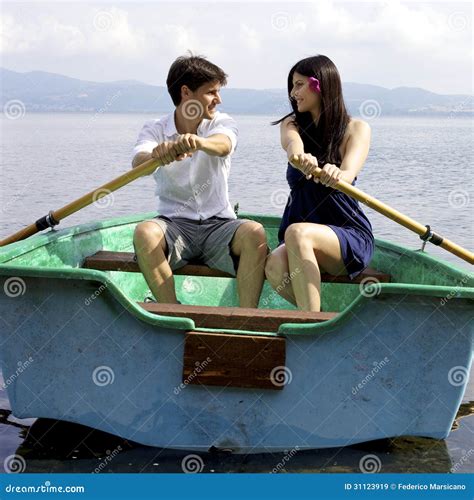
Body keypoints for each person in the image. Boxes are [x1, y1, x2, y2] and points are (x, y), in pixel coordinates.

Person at [132, 54, 267, 307]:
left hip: (219, 226)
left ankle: (247, 317)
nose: (219, 99)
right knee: (144, 233)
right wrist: (156, 155)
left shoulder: (222, 122)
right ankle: (172, 312)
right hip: (174, 226)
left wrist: (199, 142)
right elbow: (138, 164)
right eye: (211, 92)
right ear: (186, 92)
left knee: (255, 232)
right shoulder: (154, 128)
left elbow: (224, 145)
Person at [265, 55, 374, 312]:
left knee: (297, 232)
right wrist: (300, 158)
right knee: (274, 265)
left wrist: (338, 174)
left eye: (299, 85)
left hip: (346, 236)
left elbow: (349, 172)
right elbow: (293, 147)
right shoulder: (290, 124)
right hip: (300, 238)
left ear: (320, 85)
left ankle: (310, 326)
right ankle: (318, 319)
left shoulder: (356, 128)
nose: (294, 93)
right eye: (292, 86)